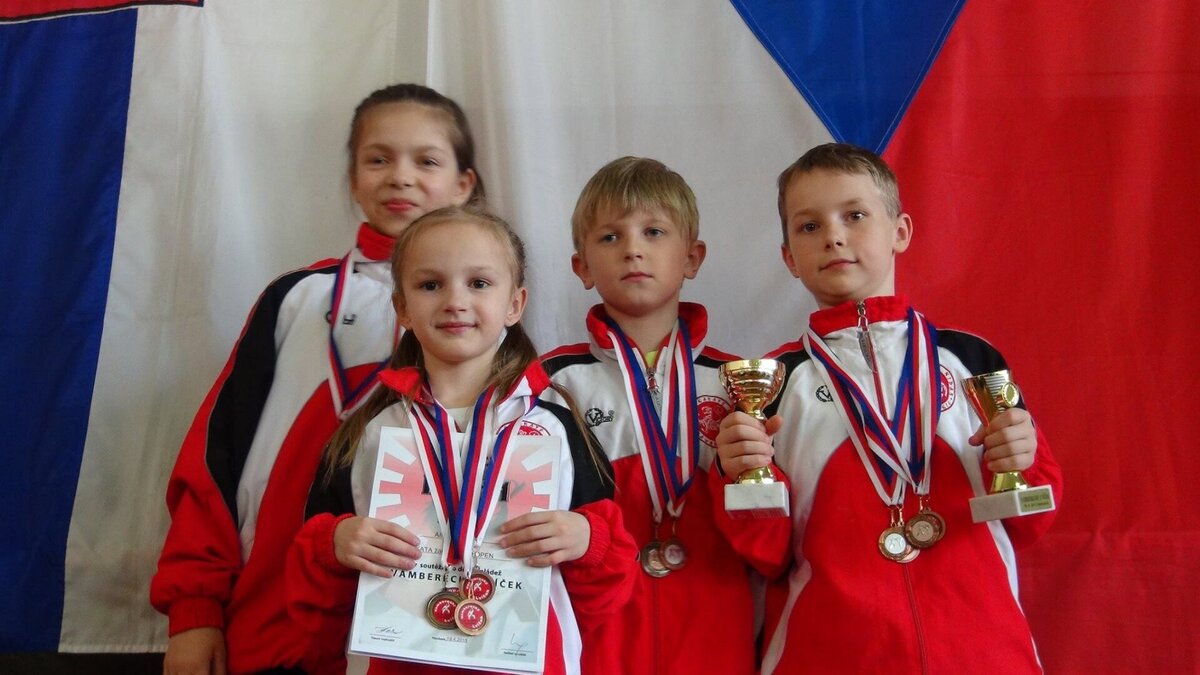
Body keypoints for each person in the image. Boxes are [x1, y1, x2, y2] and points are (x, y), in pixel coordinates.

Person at [150, 83, 483, 675]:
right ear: (353, 179)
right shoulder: (295, 300)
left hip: (420, 635)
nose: (400, 177)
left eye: (426, 161)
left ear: (464, 184)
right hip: (272, 623)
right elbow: (215, 459)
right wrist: (194, 607)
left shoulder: (486, 315)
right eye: (378, 159)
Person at [716, 142, 1064, 674]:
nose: (833, 236)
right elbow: (766, 555)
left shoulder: (970, 360)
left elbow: (1030, 520)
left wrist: (1022, 460)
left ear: (900, 231)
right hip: (832, 657)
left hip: (982, 654)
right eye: (809, 226)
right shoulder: (773, 382)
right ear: (789, 258)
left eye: (854, 216)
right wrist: (740, 476)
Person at [287, 206, 638, 675]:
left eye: (478, 283)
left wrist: (587, 541)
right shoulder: (367, 432)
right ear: (402, 308)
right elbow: (316, 605)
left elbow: (605, 596)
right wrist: (333, 546)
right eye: (431, 285)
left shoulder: (557, 428)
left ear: (515, 304)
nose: (455, 301)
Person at [541, 157, 792, 674]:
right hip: (596, 641)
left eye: (653, 232)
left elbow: (773, 555)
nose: (632, 249)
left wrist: (740, 477)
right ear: (582, 267)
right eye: (610, 237)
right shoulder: (551, 385)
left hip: (715, 640)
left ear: (692, 257)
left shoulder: (738, 382)